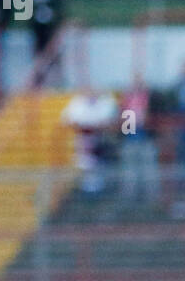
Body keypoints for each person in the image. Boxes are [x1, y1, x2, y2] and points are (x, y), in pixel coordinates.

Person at [62, 88, 118, 193]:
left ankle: (97, 190)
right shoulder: (77, 104)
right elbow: (67, 122)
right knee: (85, 167)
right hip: (84, 140)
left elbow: (114, 124)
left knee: (98, 169)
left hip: (100, 142)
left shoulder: (106, 103)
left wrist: (97, 127)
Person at [119, 74, 159, 203]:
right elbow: (125, 122)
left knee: (149, 171)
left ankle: (151, 198)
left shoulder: (151, 98)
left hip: (147, 139)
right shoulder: (127, 99)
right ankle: (130, 198)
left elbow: (154, 118)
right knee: (130, 171)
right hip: (130, 139)